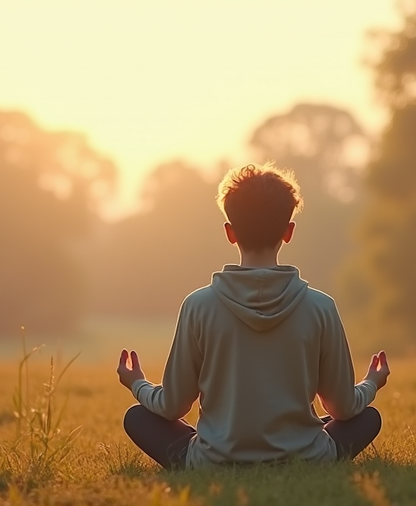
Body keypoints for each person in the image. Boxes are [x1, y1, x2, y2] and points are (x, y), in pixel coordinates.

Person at [116, 162, 389, 470]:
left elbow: (172, 406)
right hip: (307, 459)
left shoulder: (198, 305)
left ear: (230, 233)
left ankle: (213, 454)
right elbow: (342, 409)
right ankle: (302, 451)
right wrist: (371, 383)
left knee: (138, 417)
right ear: (289, 232)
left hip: (213, 461)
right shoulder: (321, 307)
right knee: (367, 417)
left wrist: (137, 383)